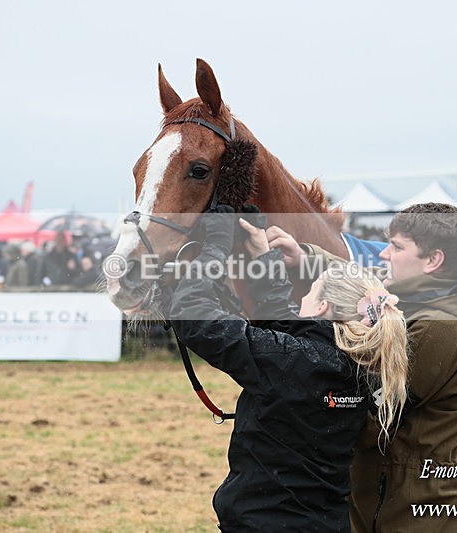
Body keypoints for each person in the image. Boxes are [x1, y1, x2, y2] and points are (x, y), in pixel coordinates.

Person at [168, 207, 409, 532]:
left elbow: (194, 318)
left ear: (321, 307)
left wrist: (215, 247)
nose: (302, 300)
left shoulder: (295, 360)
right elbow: (291, 327)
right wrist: (261, 255)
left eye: (310, 292)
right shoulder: (364, 362)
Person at [268, 203, 457, 532]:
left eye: (397, 247)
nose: (384, 255)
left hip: (413, 512)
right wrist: (304, 259)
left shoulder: (440, 329)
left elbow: (370, 420)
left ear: (433, 260)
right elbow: (365, 283)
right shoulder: (424, 296)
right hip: (392, 501)